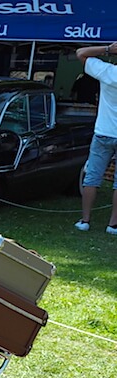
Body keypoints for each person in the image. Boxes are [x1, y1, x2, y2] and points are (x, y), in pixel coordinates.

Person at [75, 41, 117, 234]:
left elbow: (81, 53)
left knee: (92, 177)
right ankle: (113, 224)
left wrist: (108, 49)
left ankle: (85, 220)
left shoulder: (107, 71)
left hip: (103, 132)